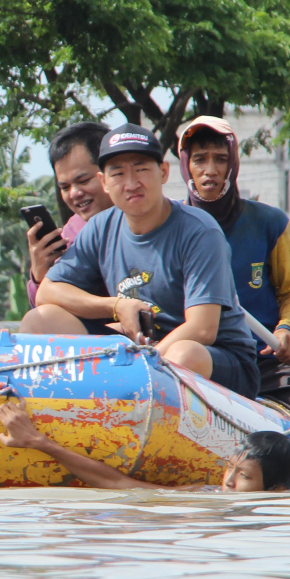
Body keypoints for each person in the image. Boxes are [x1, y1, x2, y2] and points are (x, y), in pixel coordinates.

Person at [23, 123, 261, 400]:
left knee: (183, 354)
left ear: (163, 172)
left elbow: (203, 329)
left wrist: (139, 365)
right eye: (118, 173)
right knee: (40, 321)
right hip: (138, 354)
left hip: (213, 358)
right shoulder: (99, 227)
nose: (131, 183)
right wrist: (115, 306)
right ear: (104, 182)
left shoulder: (200, 231)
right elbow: (48, 292)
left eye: (141, 169)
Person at [178, 115, 290, 482]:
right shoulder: (172, 225)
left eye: (220, 158)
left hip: (266, 362)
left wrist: (287, 329)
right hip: (202, 360)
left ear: (234, 164)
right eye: (199, 160)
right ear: (185, 166)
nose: (209, 170)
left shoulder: (270, 222)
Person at [0, 397, 290, 491]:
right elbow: (119, 482)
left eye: (243, 476)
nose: (227, 482)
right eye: (229, 469)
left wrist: (39, 442)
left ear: (276, 493)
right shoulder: (205, 494)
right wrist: (41, 442)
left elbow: (119, 484)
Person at [25, 122, 115, 328]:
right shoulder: (71, 230)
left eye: (83, 181)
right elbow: (44, 309)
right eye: (65, 187)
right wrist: (40, 275)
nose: (75, 193)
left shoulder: (144, 219)